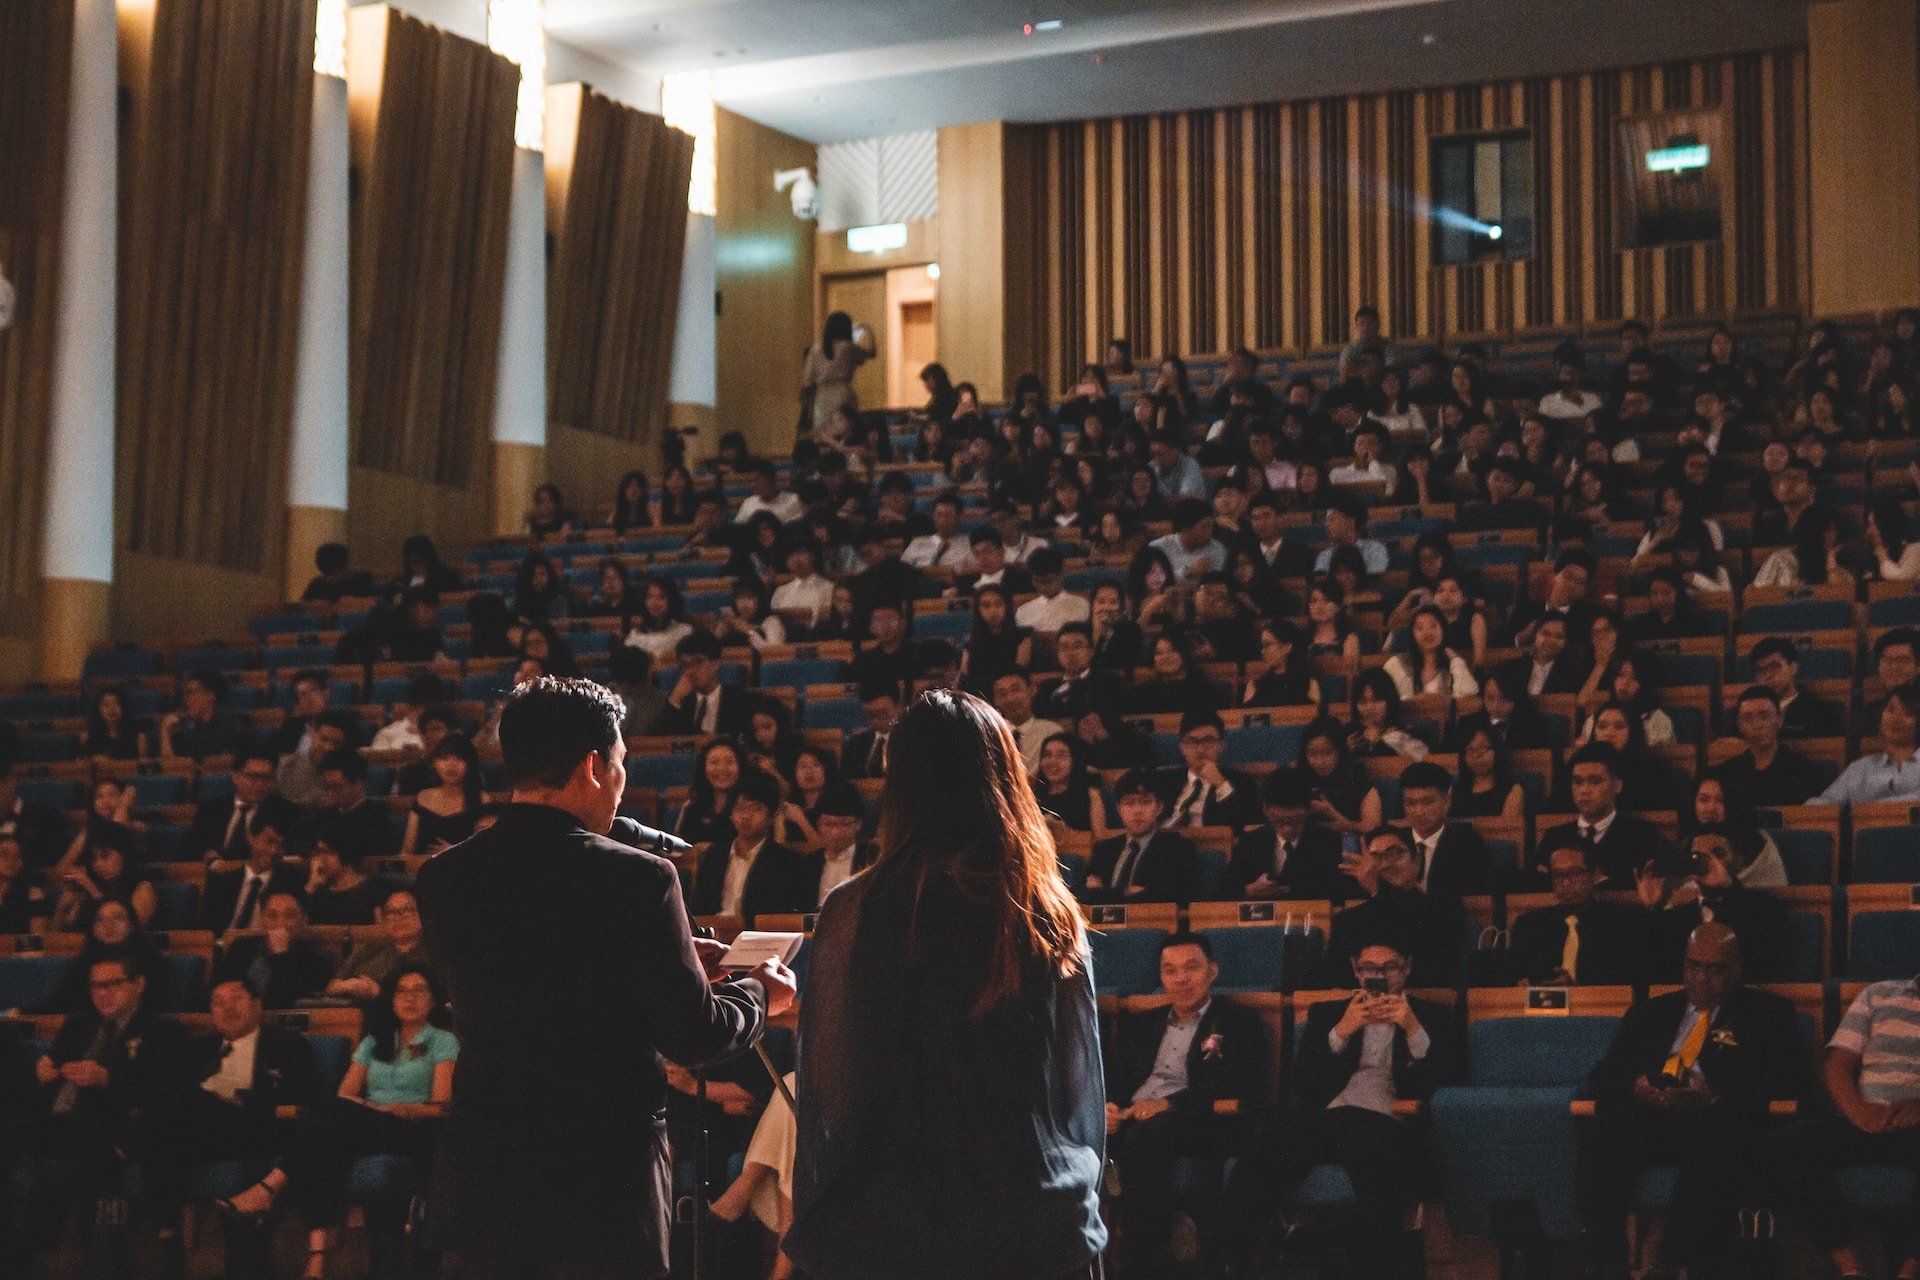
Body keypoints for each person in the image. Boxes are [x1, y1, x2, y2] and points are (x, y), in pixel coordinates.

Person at [416, 677, 794, 1278]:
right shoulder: (639, 878)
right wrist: (758, 993)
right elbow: (693, 1036)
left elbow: (528, 981)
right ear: (595, 765)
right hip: (600, 1180)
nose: (623, 779)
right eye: (621, 761)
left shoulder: (443, 877)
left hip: (484, 1171)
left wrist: (657, 953)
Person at [788, 689, 1107, 1279]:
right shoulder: (1047, 905)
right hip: (1030, 1208)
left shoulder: (853, 907)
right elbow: (1076, 1082)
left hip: (896, 1214)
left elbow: (830, 1089)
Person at [1220, 930, 1461, 1279]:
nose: (1378, 976)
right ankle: (1239, 1255)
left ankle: (1374, 1267)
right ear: (1356, 970)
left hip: (1388, 1121)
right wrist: (1342, 1032)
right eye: (1368, 967)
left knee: (1368, 1149)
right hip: (1326, 1119)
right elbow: (1303, 1083)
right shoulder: (1328, 1013)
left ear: (1406, 969)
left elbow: (1445, 1082)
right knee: (1266, 1148)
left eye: (1389, 966)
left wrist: (1413, 1030)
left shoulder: (1432, 1015)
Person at [1579, 922, 1805, 1280]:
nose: (1701, 978)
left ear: (1737, 968)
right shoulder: (1650, 1012)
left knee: (1717, 1139)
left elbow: (1787, 1082)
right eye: (1693, 966)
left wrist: (1713, 1097)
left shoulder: (1768, 1014)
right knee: (1605, 1131)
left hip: (1717, 1117)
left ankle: (1671, 1262)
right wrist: (1636, 1085)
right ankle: (1606, 1261)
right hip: (1654, 1114)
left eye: (1714, 969)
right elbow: (1604, 1075)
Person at [214, 968, 457, 1280]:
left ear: (433, 999)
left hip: (413, 1126)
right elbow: (346, 1093)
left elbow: (440, 1106)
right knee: (325, 1134)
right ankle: (316, 1262)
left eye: (419, 990)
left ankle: (273, 1193)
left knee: (323, 1128)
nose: (409, 998)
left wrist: (399, 1107)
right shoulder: (375, 1040)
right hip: (369, 1120)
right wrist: (374, 1108)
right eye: (401, 991)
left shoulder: (443, 1041)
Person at [10, 952, 189, 1269]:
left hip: (109, 1128)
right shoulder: (78, 1024)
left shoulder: (163, 1031)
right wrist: (42, 1074)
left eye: (113, 984)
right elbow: (51, 1068)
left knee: (76, 1160)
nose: (103, 994)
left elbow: (164, 1096)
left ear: (139, 984)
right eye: (96, 986)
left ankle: (40, 1239)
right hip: (56, 1123)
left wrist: (106, 1078)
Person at [1105, 933, 1267, 1277]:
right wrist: (1110, 1107)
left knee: (1145, 1139)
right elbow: (1119, 1080)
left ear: (1213, 971)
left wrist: (1166, 1104)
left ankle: (1138, 1263)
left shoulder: (1240, 1021)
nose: (1180, 979)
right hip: (1137, 1119)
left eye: (1191, 968)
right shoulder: (1142, 1023)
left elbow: (1237, 1082)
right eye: (1170, 970)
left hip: (1199, 1120)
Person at [147, 976, 318, 1277]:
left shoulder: (288, 1046)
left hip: (259, 1133)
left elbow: (302, 1104)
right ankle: (169, 1240)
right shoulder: (196, 1050)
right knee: (160, 1123)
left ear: (257, 1004)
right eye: (218, 1002)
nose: (227, 1008)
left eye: (236, 998)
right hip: (202, 1136)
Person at [1771, 969, 1920, 1280]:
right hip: (1865, 1117)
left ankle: (1910, 1268)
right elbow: (1838, 1065)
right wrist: (1859, 1111)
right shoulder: (1878, 994)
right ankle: (1850, 1266)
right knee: (1788, 1144)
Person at [1638, 829, 1794, 984]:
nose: (1709, 863)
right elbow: (1655, 970)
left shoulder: (1762, 906)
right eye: (1697, 857)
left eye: (1719, 854)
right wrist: (1654, 910)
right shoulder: (1676, 916)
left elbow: (1760, 966)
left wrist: (1729, 889)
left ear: (1738, 861)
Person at [1323, 827, 1468, 986]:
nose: (1385, 864)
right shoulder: (1346, 921)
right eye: (1375, 858)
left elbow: (1428, 968)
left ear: (1417, 860)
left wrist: (1376, 891)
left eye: (1394, 853)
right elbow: (1335, 979)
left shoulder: (1443, 908)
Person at [1508, 837, 1642, 985]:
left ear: (1595, 875)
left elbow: (1625, 981)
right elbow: (1514, 978)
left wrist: (1575, 989)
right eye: (1558, 875)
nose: (1565, 882)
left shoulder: (1622, 922)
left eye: (1575, 873)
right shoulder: (1529, 926)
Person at [1535, 744, 1676, 885]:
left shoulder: (1642, 835)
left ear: (1617, 786)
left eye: (1595, 781)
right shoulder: (1554, 837)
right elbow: (1529, 884)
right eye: (1578, 782)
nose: (1584, 790)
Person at [689, 768, 816, 919]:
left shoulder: (786, 862)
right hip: (714, 935)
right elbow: (698, 910)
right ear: (731, 814)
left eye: (756, 809)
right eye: (740, 809)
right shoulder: (713, 856)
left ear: (771, 816)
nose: (746, 816)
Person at [1224, 770, 1347, 899]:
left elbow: (1338, 893)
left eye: (1294, 819)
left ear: (1308, 809)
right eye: (1279, 820)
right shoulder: (1250, 842)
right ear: (1265, 810)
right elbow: (1224, 893)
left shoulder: (1328, 842)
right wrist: (1248, 891)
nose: (1287, 828)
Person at [1086, 770, 1199, 904]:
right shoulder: (1104, 849)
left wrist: (1104, 892)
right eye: (1129, 803)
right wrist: (1127, 891)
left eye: (1146, 802)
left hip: (1152, 922)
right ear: (1119, 809)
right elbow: (1081, 895)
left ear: (1159, 807)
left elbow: (1166, 896)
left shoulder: (1178, 847)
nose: (1137, 811)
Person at [1712, 685, 1830, 812]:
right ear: (1739, 726)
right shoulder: (1724, 775)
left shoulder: (1806, 772)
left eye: (1764, 716)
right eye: (1748, 718)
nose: (1757, 725)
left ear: (1780, 719)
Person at [215, 890, 337, 1008]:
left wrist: (281, 956)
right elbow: (219, 990)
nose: (281, 923)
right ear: (262, 919)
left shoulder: (316, 961)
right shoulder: (241, 948)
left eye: (289, 915)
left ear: (304, 920)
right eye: (272, 916)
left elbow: (284, 1003)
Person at [203, 801, 307, 936]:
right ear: (250, 837)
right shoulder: (221, 881)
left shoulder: (290, 883)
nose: (273, 851)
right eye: (269, 841)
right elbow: (205, 931)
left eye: (280, 845)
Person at [1396, 761, 1493, 897]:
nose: (1419, 812)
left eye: (1428, 802)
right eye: (1411, 803)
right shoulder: (1394, 843)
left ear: (1447, 802)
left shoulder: (1468, 844)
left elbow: (1471, 899)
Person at [1816, 679, 1920, 804]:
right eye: (1891, 710)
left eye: (1908, 713)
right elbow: (1824, 804)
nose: (1896, 719)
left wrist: (1874, 808)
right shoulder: (1860, 768)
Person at [1155, 708, 1260, 830]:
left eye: (1208, 741)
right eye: (1192, 741)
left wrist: (1222, 785)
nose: (1200, 749)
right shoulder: (1163, 781)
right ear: (1182, 748)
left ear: (1221, 746)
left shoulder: (1243, 782)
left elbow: (1244, 826)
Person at [324, 886, 431, 1004]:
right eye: (392, 912)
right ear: (384, 919)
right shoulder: (369, 950)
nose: (399, 918)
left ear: (422, 914)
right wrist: (350, 986)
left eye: (407, 910)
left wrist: (380, 992)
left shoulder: (435, 953)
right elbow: (332, 986)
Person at [398, 732, 486, 857]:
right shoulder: (423, 797)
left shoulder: (483, 800)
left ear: (470, 764)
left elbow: (484, 853)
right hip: (422, 870)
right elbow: (407, 851)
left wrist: (454, 851)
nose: (451, 764)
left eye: (459, 758)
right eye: (444, 758)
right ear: (434, 763)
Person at [1747, 636, 1846, 739]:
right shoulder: (1744, 715)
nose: (1767, 676)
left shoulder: (1821, 714)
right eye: (1760, 670)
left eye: (1774, 667)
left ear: (1793, 668)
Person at [663, 629, 755, 737]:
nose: (690, 671)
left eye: (698, 662)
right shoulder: (675, 701)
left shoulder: (741, 700)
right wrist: (675, 700)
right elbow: (659, 743)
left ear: (716, 663)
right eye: (685, 665)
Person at [803, 310, 873, 431]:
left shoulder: (815, 349)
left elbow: (807, 381)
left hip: (821, 396)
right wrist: (868, 331)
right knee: (845, 432)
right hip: (843, 392)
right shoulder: (849, 348)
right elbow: (871, 353)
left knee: (823, 433)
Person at [159, 670, 248, 760]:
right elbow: (172, 767)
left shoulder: (231, 726)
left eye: (191, 693)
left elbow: (225, 763)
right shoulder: (183, 728)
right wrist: (165, 732)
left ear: (211, 695)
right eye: (186, 694)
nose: (187, 699)